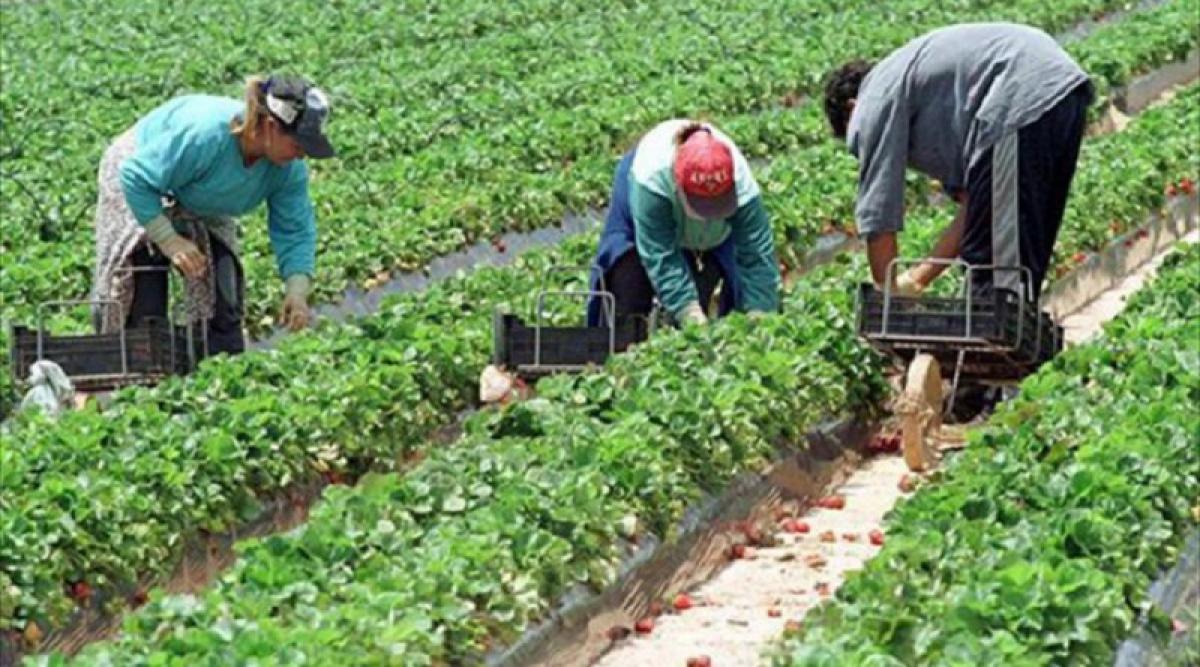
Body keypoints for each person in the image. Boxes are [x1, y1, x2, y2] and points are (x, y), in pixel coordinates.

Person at [823, 23, 1093, 301]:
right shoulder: (921, 89)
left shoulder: (873, 99)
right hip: (1062, 90)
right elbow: (974, 208)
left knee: (996, 276)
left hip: (1018, 93)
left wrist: (887, 295)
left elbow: (878, 217)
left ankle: (996, 322)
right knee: (1021, 257)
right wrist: (917, 279)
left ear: (852, 108)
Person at [92, 74, 336, 355]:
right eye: (298, 145)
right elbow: (136, 177)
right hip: (142, 175)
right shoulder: (206, 136)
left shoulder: (288, 169)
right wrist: (168, 240)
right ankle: (137, 363)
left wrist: (297, 290)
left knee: (222, 291)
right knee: (143, 285)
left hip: (201, 192)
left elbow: (294, 228)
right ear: (270, 127)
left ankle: (216, 362)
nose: (302, 155)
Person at [586, 119, 780, 328]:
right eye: (702, 206)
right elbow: (660, 254)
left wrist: (760, 315)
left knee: (721, 283)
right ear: (678, 185)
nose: (706, 217)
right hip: (645, 206)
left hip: (716, 232)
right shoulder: (652, 181)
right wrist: (689, 312)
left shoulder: (742, 183)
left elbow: (757, 254)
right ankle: (627, 336)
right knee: (629, 282)